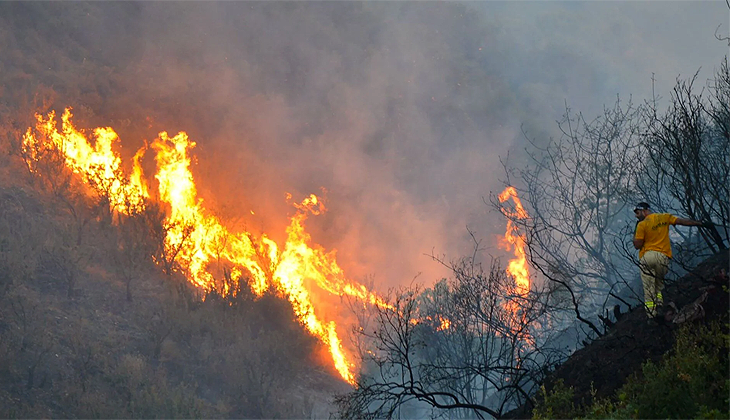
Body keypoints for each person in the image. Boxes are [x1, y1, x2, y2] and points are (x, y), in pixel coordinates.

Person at [632, 202, 711, 322]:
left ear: (644, 210)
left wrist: (636, 231)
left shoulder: (642, 225)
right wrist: (701, 223)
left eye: (637, 213)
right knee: (658, 284)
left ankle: (651, 316)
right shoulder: (664, 217)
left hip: (647, 257)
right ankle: (659, 304)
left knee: (648, 288)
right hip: (662, 257)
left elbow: (637, 245)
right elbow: (682, 221)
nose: (636, 216)